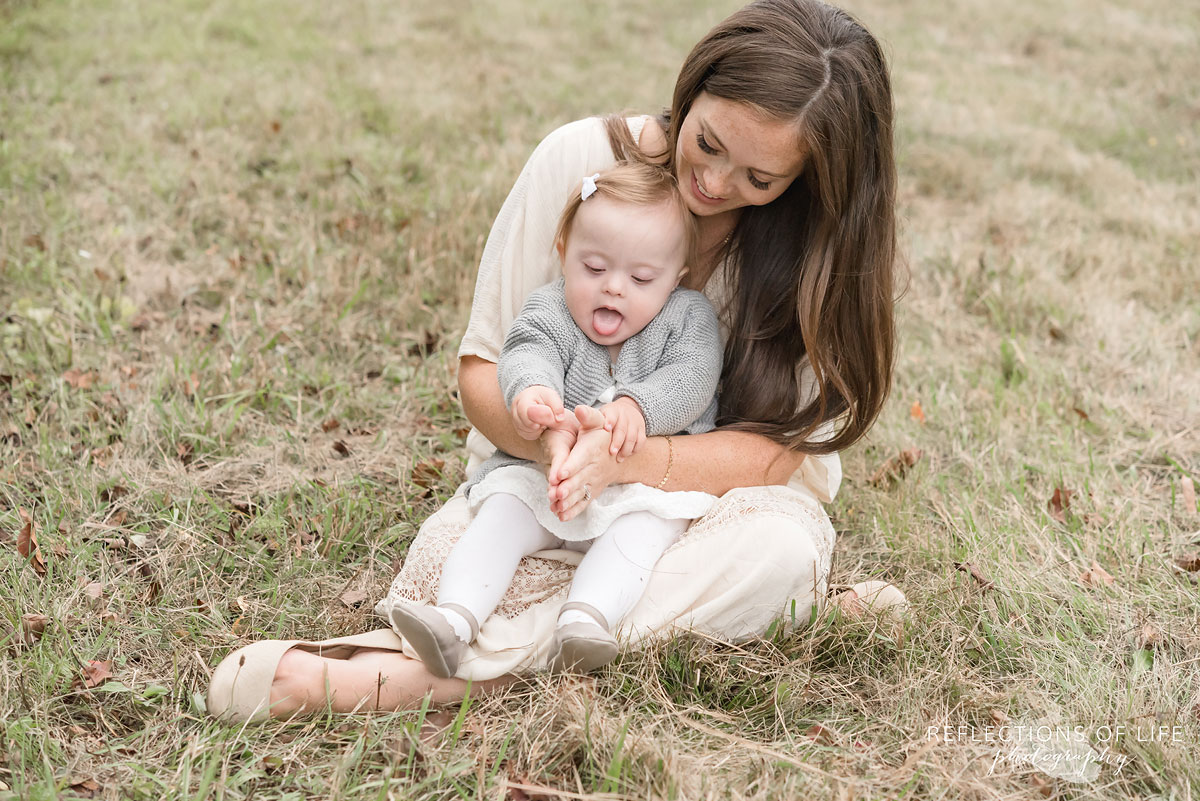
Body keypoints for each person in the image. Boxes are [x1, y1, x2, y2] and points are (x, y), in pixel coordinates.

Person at [207, 0, 904, 722]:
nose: (719, 184)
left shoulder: (811, 246)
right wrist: (552, 440)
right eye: (710, 143)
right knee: (460, 553)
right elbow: (482, 371)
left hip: (700, 511)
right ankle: (754, 616)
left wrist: (623, 457)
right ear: (695, 85)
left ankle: (424, 679)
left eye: (761, 179)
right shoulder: (578, 162)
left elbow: (772, 460)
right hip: (539, 482)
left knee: (777, 550)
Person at [389, 163, 724, 679]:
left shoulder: (688, 317)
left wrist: (638, 408)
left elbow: (694, 378)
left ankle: (584, 623)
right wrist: (533, 394)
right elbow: (529, 348)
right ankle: (454, 619)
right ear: (564, 253)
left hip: (635, 486)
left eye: (640, 279)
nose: (613, 289)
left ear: (675, 277)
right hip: (550, 475)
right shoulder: (551, 306)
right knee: (502, 511)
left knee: (644, 532)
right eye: (593, 268)